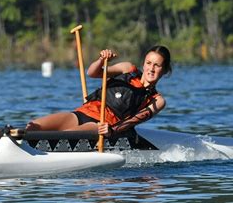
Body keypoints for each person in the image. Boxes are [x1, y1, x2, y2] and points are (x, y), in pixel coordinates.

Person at [26, 45, 171, 137]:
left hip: (101, 125)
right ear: (144, 63)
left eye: (157, 65)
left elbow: (133, 121)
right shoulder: (128, 69)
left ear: (164, 70)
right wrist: (102, 60)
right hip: (83, 112)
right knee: (32, 127)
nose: (151, 68)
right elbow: (92, 73)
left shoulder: (157, 100)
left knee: (64, 136)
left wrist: (112, 131)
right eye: (148, 63)